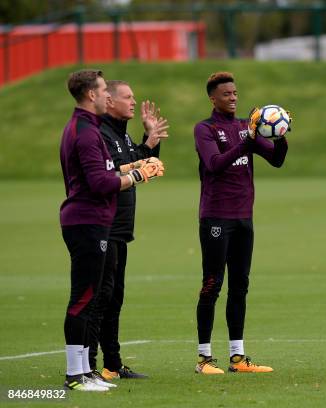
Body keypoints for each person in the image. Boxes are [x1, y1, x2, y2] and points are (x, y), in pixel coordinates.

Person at [60, 70, 164, 391]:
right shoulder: (89, 132)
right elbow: (102, 182)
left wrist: (141, 158)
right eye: (105, 90)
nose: (108, 96)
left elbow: (115, 167)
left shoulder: (89, 128)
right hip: (88, 221)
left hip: (98, 221)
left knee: (98, 297)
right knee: (87, 299)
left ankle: (88, 371)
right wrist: (138, 175)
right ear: (92, 95)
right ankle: (78, 373)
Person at [193, 72, 288, 374]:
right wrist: (246, 142)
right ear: (213, 98)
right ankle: (204, 358)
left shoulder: (244, 128)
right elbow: (214, 165)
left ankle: (238, 357)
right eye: (226, 94)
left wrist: (279, 134)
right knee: (212, 285)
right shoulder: (205, 129)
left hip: (243, 219)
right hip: (216, 218)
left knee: (240, 286)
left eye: (235, 93)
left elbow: (276, 160)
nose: (233, 98)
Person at [87, 80, 169, 382]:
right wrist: (146, 147)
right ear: (109, 102)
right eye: (128, 97)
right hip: (103, 227)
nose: (134, 102)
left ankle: (112, 364)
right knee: (100, 297)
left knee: (114, 297)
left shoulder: (120, 134)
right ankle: (90, 366)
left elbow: (139, 162)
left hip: (120, 230)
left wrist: (150, 141)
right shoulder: (102, 134)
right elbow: (118, 168)